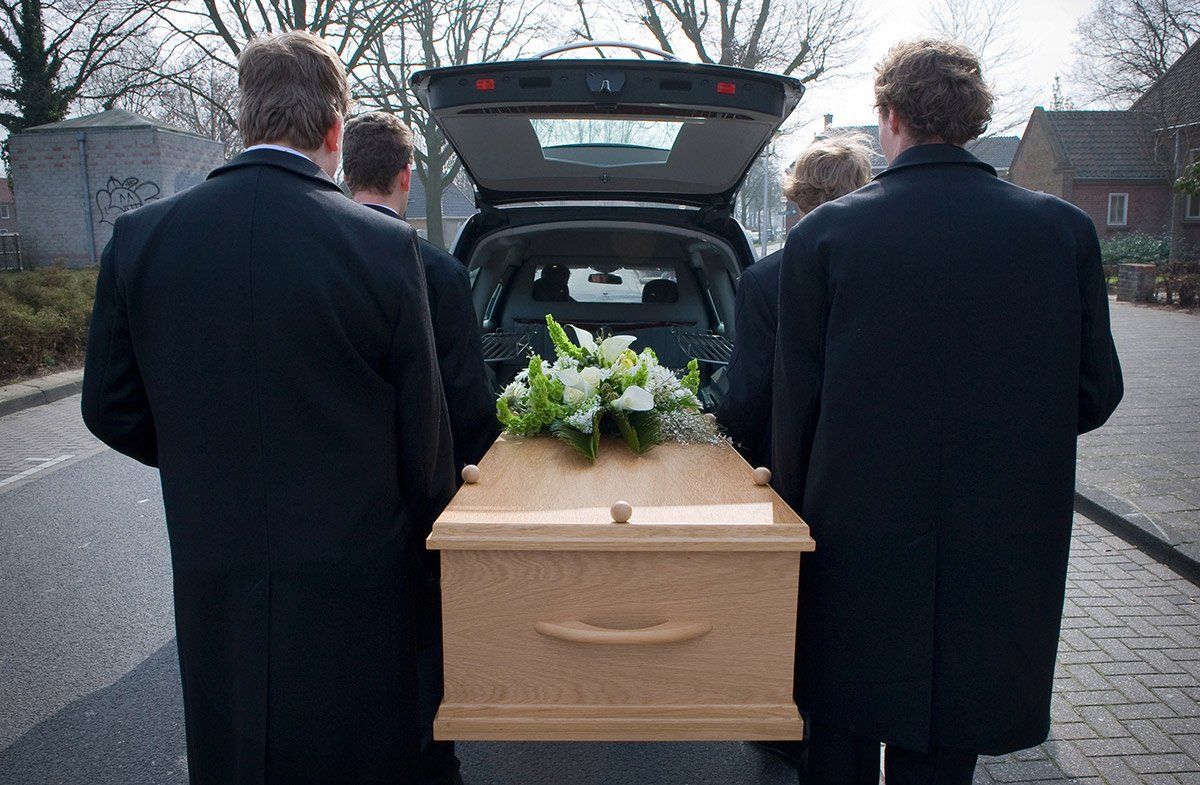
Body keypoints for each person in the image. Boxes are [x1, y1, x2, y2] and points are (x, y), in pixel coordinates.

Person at [81, 30, 456, 785]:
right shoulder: (383, 249)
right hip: (356, 567)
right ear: (335, 131)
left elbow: (109, 405)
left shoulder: (141, 238)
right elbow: (423, 434)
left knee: (234, 750)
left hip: (214, 562)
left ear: (244, 118)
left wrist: (203, 450)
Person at [771, 39, 1123, 785]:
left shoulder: (827, 236)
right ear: (973, 118)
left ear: (890, 117)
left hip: (854, 526)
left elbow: (795, 408)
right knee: (947, 735)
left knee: (839, 728)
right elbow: (1096, 391)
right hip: (997, 527)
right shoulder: (1063, 231)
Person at [343, 110, 499, 785]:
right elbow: (466, 401)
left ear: (346, 169)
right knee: (420, 644)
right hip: (415, 499)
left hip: (335, 504)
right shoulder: (433, 269)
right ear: (408, 176)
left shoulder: (317, 256)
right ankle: (431, 758)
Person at [717, 135, 873, 472]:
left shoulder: (765, 280)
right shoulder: (883, 273)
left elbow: (749, 396)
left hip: (785, 464)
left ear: (798, 194)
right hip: (865, 458)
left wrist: (717, 438)